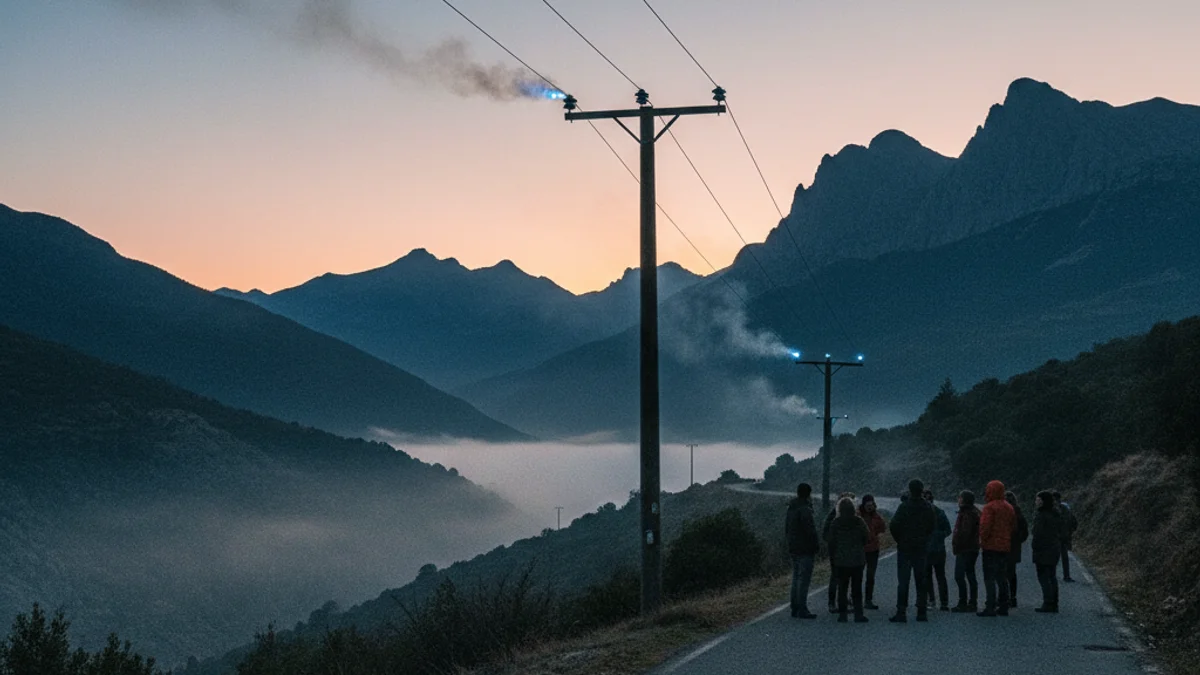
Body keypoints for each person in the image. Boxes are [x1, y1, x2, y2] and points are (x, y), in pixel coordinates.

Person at [888, 479, 936, 623]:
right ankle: (921, 612)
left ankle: (901, 612)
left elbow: (894, 525)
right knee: (921, 580)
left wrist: (900, 540)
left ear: (910, 490)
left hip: (905, 547)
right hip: (921, 548)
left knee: (903, 581)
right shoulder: (928, 507)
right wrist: (925, 539)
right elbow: (932, 526)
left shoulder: (904, 506)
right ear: (922, 490)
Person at [826, 496, 870, 623]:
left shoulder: (836, 523)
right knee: (856, 588)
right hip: (857, 559)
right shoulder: (859, 521)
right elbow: (866, 537)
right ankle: (858, 614)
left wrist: (834, 555)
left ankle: (843, 614)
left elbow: (831, 541)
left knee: (842, 588)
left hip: (841, 560)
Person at [978, 480, 1015, 617]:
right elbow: (1012, 526)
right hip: (1004, 546)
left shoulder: (989, 507)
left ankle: (990, 606)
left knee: (989, 577)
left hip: (990, 546)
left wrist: (982, 540)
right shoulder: (1008, 507)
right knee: (1001, 576)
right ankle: (1004, 604)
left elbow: (985, 527)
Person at [785, 483, 820, 619]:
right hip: (805, 547)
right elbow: (810, 530)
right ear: (808, 493)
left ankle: (795, 607)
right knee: (803, 579)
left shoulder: (791, 508)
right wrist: (815, 545)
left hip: (794, 546)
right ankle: (802, 609)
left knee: (796, 577)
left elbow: (787, 528)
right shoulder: (805, 509)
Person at [822, 491, 856, 613]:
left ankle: (843, 600)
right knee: (836, 576)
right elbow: (826, 533)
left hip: (844, 549)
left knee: (843, 575)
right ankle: (832, 603)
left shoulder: (849, 516)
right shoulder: (834, 516)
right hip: (837, 550)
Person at [1031, 490, 1063, 613]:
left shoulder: (1041, 515)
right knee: (1052, 576)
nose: (1036, 502)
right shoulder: (1056, 514)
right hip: (1054, 547)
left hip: (1043, 549)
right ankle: (1054, 602)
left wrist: (1035, 546)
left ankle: (1048, 602)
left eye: (1038, 499)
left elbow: (1037, 533)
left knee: (1043, 576)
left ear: (1043, 501)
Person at [951, 489, 981, 612]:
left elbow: (965, 532)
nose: (958, 499)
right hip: (972, 548)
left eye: (960, 497)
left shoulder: (967, 513)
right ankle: (972, 602)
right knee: (970, 574)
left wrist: (957, 545)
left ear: (964, 499)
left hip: (965, 549)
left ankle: (963, 602)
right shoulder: (973, 512)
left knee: (959, 575)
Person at [923, 489, 953, 611]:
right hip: (927, 550)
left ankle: (943, 602)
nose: (927, 501)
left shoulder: (939, 512)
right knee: (929, 576)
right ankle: (932, 600)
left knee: (939, 576)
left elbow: (948, 529)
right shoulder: (922, 514)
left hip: (937, 549)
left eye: (928, 498)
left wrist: (937, 536)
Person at [858, 494, 888, 610]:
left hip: (873, 550)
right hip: (861, 549)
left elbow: (883, 528)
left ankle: (868, 600)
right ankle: (855, 598)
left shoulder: (876, 516)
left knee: (870, 576)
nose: (870, 508)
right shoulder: (858, 516)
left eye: (871, 505)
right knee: (858, 575)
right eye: (868, 505)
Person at [1005, 491, 1030, 608]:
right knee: (1011, 573)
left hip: (1005, 546)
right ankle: (1013, 597)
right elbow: (1025, 531)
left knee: (1002, 573)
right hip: (1014, 547)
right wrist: (1017, 540)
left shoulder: (1006, 512)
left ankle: (1004, 597)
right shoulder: (1018, 512)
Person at [1052, 491, 1079, 582]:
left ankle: (1053, 576)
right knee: (1064, 557)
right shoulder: (1066, 508)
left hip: (1056, 537)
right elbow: (1074, 522)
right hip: (1064, 536)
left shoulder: (1052, 510)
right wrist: (1069, 532)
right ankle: (1066, 576)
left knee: (1055, 557)